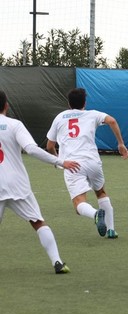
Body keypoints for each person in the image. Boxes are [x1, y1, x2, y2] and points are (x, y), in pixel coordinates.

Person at [0, 90, 80, 273]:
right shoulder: (14, 125)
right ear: (6, 105)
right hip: (17, 185)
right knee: (38, 222)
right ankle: (57, 262)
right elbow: (32, 149)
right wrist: (60, 161)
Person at [46, 88, 128, 239]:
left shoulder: (60, 117)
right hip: (92, 162)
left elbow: (50, 146)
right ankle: (111, 230)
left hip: (72, 164)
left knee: (79, 204)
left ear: (69, 103)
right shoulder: (92, 114)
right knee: (101, 192)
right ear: (85, 102)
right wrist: (120, 144)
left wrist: (58, 160)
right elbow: (112, 121)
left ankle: (95, 214)